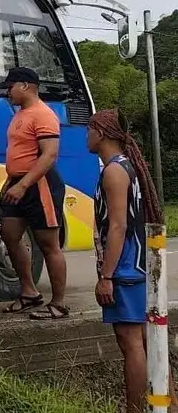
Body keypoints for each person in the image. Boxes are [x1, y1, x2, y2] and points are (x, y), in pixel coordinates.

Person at [87, 109, 164, 413]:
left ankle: (135, 408)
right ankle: (165, 403)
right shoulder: (124, 167)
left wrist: (107, 275)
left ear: (101, 133)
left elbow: (118, 225)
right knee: (146, 342)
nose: (86, 135)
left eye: (90, 129)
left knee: (131, 342)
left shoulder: (114, 171)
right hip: (134, 264)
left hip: (126, 267)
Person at [0, 67, 69, 320]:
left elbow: (49, 155)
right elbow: (21, 152)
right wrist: (10, 181)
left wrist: (24, 184)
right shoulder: (20, 115)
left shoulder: (43, 114)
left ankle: (59, 304)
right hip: (19, 182)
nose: (8, 92)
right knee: (8, 234)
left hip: (40, 185)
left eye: (11, 86)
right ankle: (29, 292)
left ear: (25, 86)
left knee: (48, 244)